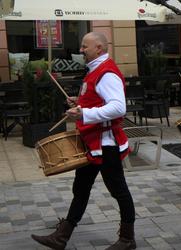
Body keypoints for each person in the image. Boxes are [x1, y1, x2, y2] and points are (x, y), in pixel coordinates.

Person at [31, 32, 136, 250]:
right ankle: (61, 237)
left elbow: (118, 107)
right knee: (80, 189)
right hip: (92, 143)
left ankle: (127, 239)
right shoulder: (96, 70)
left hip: (106, 145)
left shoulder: (106, 72)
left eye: (84, 46)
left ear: (99, 48)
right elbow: (99, 100)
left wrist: (84, 114)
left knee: (119, 191)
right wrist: (80, 102)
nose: (80, 50)